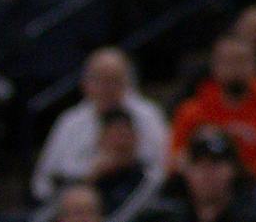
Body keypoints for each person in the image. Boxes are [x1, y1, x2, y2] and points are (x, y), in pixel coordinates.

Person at [34, 49, 172, 200]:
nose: (107, 88)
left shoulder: (148, 115)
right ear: (85, 84)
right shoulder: (70, 121)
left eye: (114, 80)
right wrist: (91, 171)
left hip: (139, 198)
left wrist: (125, 162)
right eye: (100, 80)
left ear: (128, 82)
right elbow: (43, 181)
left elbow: (165, 165)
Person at [172, 33, 256, 178]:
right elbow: (175, 161)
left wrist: (239, 174)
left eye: (241, 61)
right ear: (214, 66)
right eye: (227, 62)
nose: (234, 68)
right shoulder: (192, 111)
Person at [142, 127, 256, 222]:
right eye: (198, 164)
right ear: (185, 170)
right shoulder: (163, 215)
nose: (208, 172)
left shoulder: (251, 215)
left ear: (233, 169)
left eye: (216, 163)